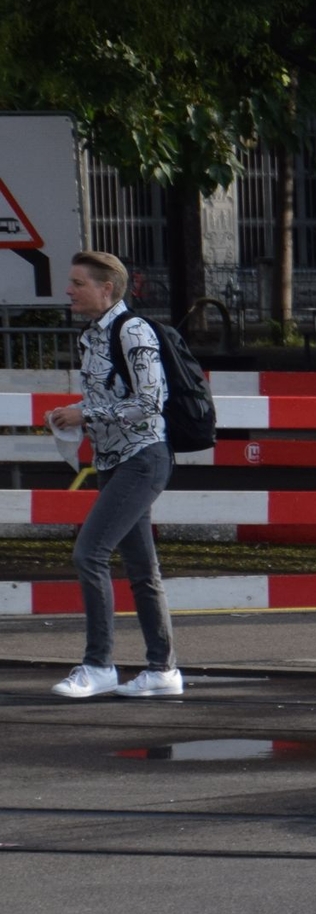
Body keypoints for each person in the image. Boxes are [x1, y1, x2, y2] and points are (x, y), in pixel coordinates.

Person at [49, 249, 182, 699]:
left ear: (107, 289)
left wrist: (83, 413)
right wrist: (79, 417)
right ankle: (162, 671)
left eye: (78, 283)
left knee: (89, 554)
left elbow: (150, 402)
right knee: (143, 570)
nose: (68, 290)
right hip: (114, 462)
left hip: (144, 459)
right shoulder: (92, 335)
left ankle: (98, 665)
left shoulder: (134, 331)